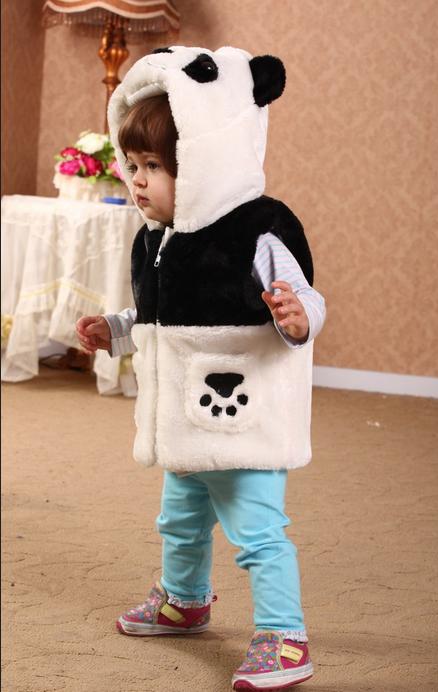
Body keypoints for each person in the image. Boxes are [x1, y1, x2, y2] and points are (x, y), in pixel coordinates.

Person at [76, 46, 326, 691]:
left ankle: (284, 635)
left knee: (258, 533)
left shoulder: (259, 228)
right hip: (183, 422)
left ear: (204, 160)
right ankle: (185, 600)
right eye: (133, 165)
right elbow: (157, 317)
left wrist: (297, 317)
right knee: (180, 521)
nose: (137, 181)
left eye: (154, 167)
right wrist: (116, 330)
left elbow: (307, 300)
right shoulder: (157, 238)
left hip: (243, 422)